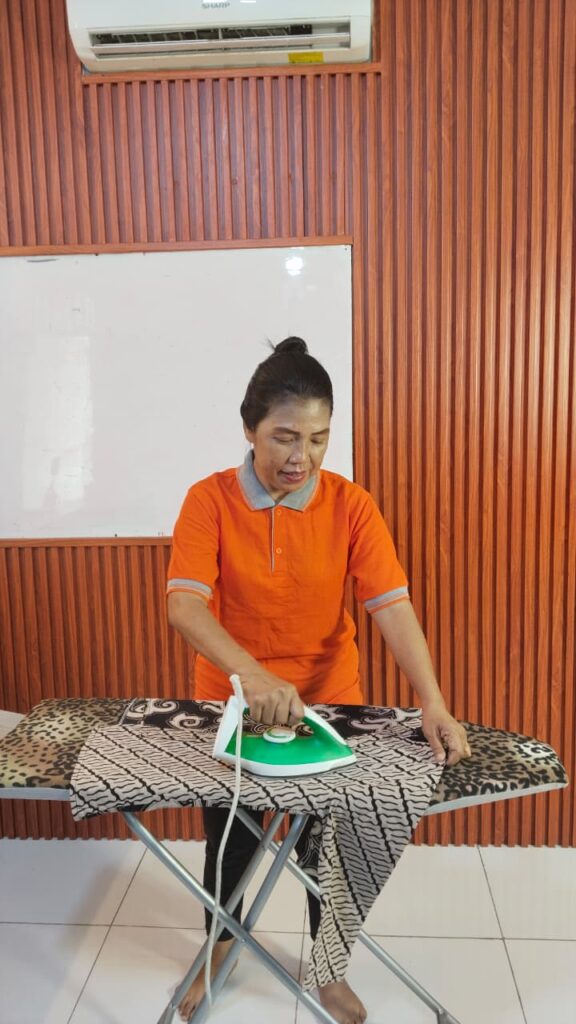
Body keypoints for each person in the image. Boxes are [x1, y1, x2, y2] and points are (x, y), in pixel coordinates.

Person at [167, 337, 471, 1024]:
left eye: (317, 438)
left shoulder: (351, 506)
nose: (300, 457)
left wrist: (432, 700)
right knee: (232, 842)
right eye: (284, 437)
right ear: (249, 429)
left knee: (327, 848)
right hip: (234, 699)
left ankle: (329, 966)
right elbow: (184, 605)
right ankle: (220, 947)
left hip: (329, 701)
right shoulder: (208, 501)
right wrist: (253, 677)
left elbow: (391, 606)